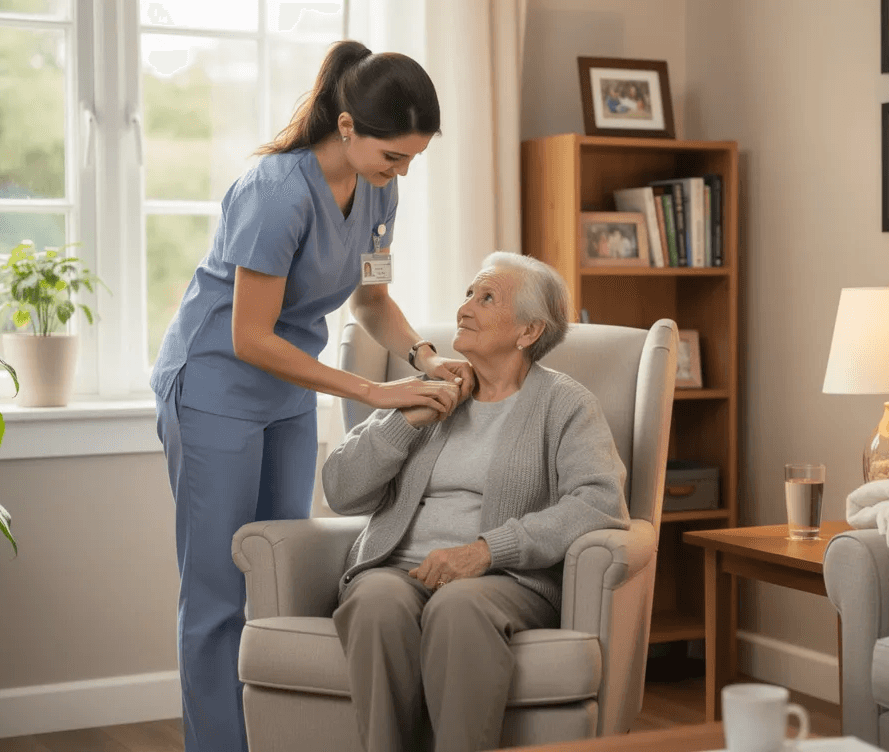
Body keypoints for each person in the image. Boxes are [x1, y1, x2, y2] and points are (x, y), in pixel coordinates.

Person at [150, 40, 475, 752]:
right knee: (215, 595)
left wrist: (423, 356)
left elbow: (370, 300)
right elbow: (250, 336)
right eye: (396, 155)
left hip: (287, 394)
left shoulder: (379, 187)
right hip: (214, 388)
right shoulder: (274, 193)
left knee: (280, 575)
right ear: (350, 127)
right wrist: (373, 390)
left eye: (414, 159)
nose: (404, 171)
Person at [325, 252, 631, 752]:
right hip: (397, 568)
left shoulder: (565, 404)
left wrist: (487, 550)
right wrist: (404, 421)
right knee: (375, 602)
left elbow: (599, 503)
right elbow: (340, 490)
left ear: (528, 331)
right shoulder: (431, 392)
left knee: (459, 606)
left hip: (501, 580)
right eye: (468, 294)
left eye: (486, 298)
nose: (465, 307)